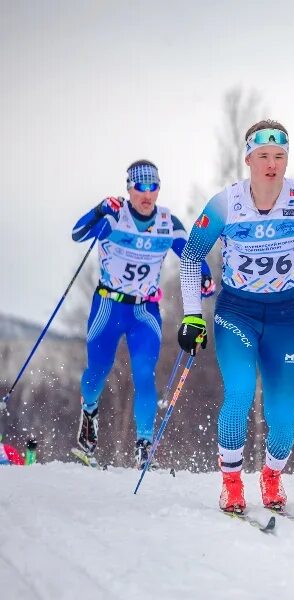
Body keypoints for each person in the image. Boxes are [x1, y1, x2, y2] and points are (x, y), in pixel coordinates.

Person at [178, 120, 294, 513]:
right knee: (238, 393)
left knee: (282, 415)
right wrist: (192, 316)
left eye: (279, 156)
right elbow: (190, 257)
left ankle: (271, 476)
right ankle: (232, 483)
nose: (272, 164)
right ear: (249, 159)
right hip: (236, 310)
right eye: (264, 156)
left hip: (284, 316)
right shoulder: (225, 203)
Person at [70, 160, 213, 468]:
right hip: (109, 306)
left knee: (144, 375)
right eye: (140, 188)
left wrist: (204, 275)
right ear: (129, 189)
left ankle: (144, 445)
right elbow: (78, 234)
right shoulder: (114, 216)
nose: (147, 195)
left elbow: (191, 255)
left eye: (153, 188)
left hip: (144, 310)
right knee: (98, 369)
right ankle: (89, 415)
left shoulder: (168, 222)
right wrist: (98, 210)